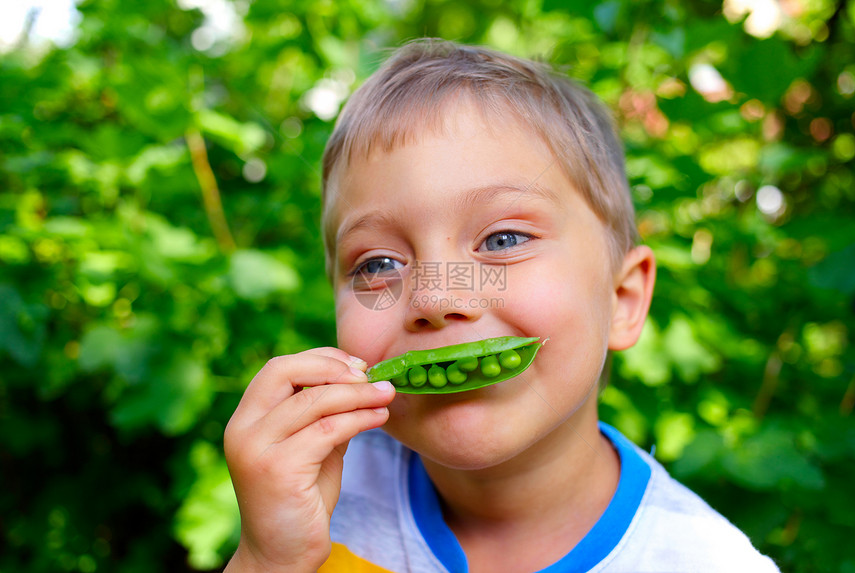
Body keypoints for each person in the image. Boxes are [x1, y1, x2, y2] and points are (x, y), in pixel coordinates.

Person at [223, 39, 779, 573]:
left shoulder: (705, 563)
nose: (435, 300)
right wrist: (268, 560)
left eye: (504, 239)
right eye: (379, 264)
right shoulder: (312, 498)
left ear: (622, 299)